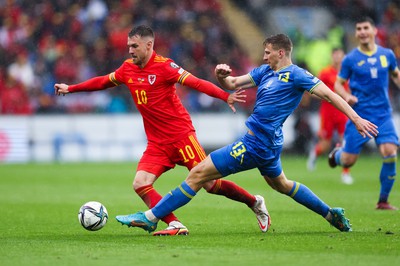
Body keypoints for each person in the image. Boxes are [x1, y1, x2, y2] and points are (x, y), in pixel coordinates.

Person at [115, 33, 379, 234]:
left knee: (197, 174)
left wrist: (355, 119)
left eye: (267, 53)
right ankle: (330, 214)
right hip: (269, 144)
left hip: (256, 143)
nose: (264, 57)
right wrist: (221, 76)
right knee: (282, 185)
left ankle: (150, 218)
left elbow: (330, 95)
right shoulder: (265, 71)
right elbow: (232, 83)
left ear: (281, 52)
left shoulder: (298, 76)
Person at [54, 25, 271, 236]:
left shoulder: (165, 66)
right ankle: (174, 223)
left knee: (211, 184)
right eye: (129, 46)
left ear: (149, 45)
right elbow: (103, 82)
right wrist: (71, 88)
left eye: (135, 46)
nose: (130, 50)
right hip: (157, 143)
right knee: (140, 184)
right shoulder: (127, 68)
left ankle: (254, 202)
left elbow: (195, 83)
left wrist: (225, 96)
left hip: (181, 137)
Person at [329, 16, 400, 210]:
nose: (362, 31)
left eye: (365, 27)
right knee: (348, 161)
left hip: (383, 114)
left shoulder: (387, 55)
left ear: (374, 31)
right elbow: (337, 84)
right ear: (356, 33)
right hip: (359, 116)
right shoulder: (351, 59)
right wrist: (347, 96)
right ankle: (337, 155)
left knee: (390, 152)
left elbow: (395, 75)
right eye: (358, 28)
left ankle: (383, 201)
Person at [307, 48, 353, 185]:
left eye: (340, 54)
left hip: (342, 113)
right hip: (327, 113)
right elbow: (312, 90)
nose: (337, 57)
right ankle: (314, 154)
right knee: (325, 145)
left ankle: (345, 173)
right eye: (335, 55)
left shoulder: (347, 73)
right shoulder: (325, 72)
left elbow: (349, 91)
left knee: (346, 142)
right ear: (332, 57)